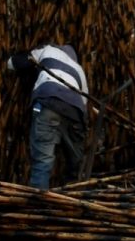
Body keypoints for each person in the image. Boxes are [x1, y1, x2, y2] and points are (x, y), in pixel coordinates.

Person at [6, 44, 89, 190]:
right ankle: (75, 199)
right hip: (75, 112)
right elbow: (84, 104)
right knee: (75, 165)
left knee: (42, 162)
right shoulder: (80, 70)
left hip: (48, 102)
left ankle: (39, 205)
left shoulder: (48, 50)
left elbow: (13, 64)